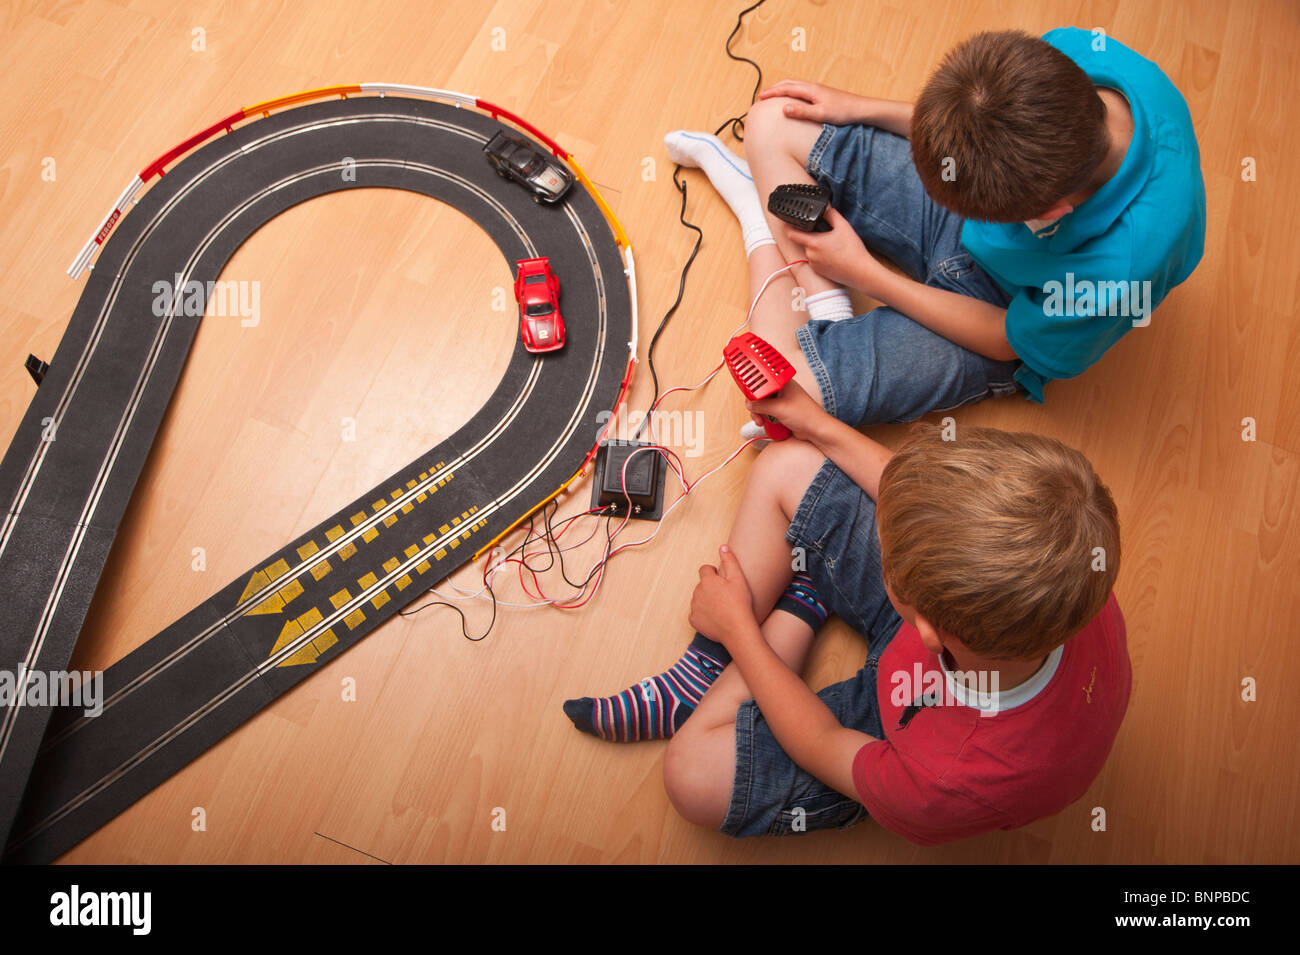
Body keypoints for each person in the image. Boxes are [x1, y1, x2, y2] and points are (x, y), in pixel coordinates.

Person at [573, 399, 1130, 842]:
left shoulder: (944, 779)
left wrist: (741, 629)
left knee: (690, 778)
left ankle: (779, 618)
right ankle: (707, 668)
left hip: (900, 735)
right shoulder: (1070, 563)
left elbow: (820, 740)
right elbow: (918, 500)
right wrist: (817, 423)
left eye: (886, 554)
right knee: (788, 463)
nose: (876, 534)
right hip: (952, 647)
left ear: (926, 630)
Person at [655, 27, 1205, 430]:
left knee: (778, 402)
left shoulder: (1120, 270)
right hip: (991, 193)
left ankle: (757, 217)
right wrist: (862, 107)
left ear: (1054, 213)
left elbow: (1006, 336)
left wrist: (868, 274)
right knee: (774, 118)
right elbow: (978, 114)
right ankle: (826, 306)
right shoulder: (1074, 58)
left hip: (996, 311)